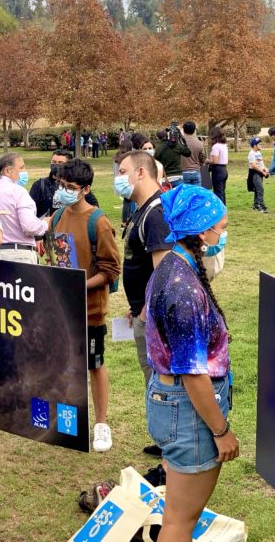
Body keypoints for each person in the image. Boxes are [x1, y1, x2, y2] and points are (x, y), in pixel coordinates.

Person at [143, 185, 236, 542]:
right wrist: (221, 432)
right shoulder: (183, 288)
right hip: (189, 411)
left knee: (177, 513)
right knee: (181, 521)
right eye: (221, 227)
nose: (224, 234)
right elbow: (192, 372)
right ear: (201, 232)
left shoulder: (172, 264)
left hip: (173, 403)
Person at [47, 160, 122, 453]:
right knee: (64, 362)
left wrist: (81, 284)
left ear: (86, 189)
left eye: (70, 187)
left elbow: (111, 269)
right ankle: (67, 420)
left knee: (94, 363)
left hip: (90, 311)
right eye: (61, 185)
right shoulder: (56, 217)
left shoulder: (99, 222)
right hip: (60, 309)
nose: (63, 191)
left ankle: (101, 423)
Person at [115, 150, 175, 454]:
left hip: (153, 317)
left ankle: (171, 448)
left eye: (123, 171)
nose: (118, 178)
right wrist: (136, 302)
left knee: (161, 382)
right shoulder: (142, 210)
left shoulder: (156, 213)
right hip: (143, 312)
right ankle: (164, 440)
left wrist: (146, 308)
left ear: (141, 172)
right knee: (154, 381)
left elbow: (163, 271)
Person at [29, 150, 74, 218]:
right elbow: (29, 211)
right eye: (54, 162)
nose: (56, 165)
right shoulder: (39, 185)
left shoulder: (76, 185)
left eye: (60, 163)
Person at [246, 137, 269, 213]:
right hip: (255, 173)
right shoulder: (251, 153)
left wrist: (265, 169)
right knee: (260, 190)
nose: (260, 145)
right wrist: (262, 172)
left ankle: (256, 206)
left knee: (257, 190)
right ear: (254, 145)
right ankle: (262, 207)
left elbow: (261, 163)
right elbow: (253, 165)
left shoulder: (258, 153)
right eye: (259, 144)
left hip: (260, 172)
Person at [208, 127, 230, 205]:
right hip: (224, 169)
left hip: (217, 170)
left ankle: (220, 210)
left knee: (218, 192)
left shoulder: (215, 146)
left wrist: (206, 161)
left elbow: (215, 161)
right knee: (222, 191)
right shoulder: (224, 145)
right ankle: (224, 208)